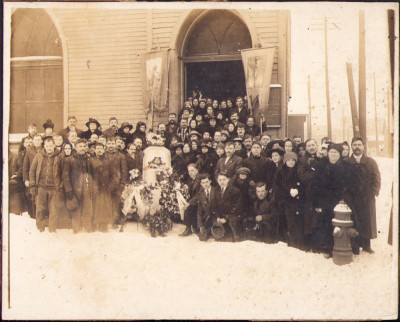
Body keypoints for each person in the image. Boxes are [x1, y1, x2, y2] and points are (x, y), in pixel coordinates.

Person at [344, 137, 381, 254]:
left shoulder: (371, 162)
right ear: (351, 147)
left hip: (367, 197)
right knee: (354, 220)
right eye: (354, 145)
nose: (357, 147)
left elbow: (376, 178)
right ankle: (354, 245)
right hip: (352, 198)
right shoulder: (346, 162)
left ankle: (366, 245)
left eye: (359, 145)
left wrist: (373, 192)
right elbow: (342, 180)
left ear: (363, 147)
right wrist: (346, 195)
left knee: (367, 220)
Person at [313, 143, 346, 256]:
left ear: (339, 154)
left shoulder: (344, 166)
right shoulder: (322, 165)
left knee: (338, 225)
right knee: (325, 224)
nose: (333, 155)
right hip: (324, 200)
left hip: (339, 201)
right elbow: (316, 184)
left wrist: (343, 198)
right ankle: (327, 248)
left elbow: (347, 185)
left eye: (335, 153)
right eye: (331, 152)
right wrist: (317, 202)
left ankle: (339, 247)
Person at [29, 137, 61, 232]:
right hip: (41, 187)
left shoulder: (59, 156)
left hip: (54, 188)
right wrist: (33, 184)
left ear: (54, 145)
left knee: (54, 209)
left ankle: (52, 229)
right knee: (40, 208)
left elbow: (63, 171)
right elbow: (32, 170)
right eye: (47, 146)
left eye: (51, 145)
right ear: (44, 146)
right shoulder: (39, 155)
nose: (49, 148)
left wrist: (60, 186)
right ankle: (40, 228)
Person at [62, 138, 94, 233]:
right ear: (75, 148)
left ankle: (87, 227)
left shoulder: (89, 159)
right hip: (75, 189)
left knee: (87, 207)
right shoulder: (69, 160)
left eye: (84, 146)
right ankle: (76, 228)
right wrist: (69, 190)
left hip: (87, 188)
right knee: (75, 208)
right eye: (80, 146)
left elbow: (93, 174)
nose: (82, 148)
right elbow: (65, 177)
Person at [274, 152, 304, 249]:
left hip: (297, 201)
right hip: (284, 202)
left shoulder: (298, 171)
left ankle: (297, 244)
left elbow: (304, 184)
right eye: (289, 160)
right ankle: (288, 243)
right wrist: (288, 191)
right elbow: (278, 187)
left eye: (293, 160)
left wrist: (298, 191)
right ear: (285, 161)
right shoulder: (280, 172)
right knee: (287, 223)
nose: (291, 162)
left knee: (297, 224)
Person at [297, 139, 321, 251]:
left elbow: (324, 176)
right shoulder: (302, 161)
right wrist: (315, 170)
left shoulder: (321, 159)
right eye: (309, 146)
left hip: (319, 194)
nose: (311, 147)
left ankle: (317, 245)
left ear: (317, 146)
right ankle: (307, 244)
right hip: (307, 194)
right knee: (307, 219)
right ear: (306, 148)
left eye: (313, 145)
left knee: (318, 218)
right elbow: (303, 177)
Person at [105, 136, 128, 227]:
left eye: (112, 143)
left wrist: (122, 183)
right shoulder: (103, 155)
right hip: (106, 184)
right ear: (106, 144)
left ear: (115, 144)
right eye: (109, 143)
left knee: (115, 203)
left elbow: (124, 171)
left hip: (117, 183)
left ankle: (114, 221)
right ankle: (106, 220)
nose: (111, 146)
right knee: (106, 202)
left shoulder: (120, 156)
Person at [90, 142, 113, 232]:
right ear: (95, 150)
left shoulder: (108, 161)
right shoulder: (91, 160)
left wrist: (110, 186)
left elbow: (113, 174)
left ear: (104, 150)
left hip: (105, 187)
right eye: (97, 148)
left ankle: (103, 224)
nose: (99, 150)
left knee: (104, 206)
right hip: (95, 187)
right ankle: (94, 224)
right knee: (94, 205)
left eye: (101, 148)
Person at [214, 172, 243, 242]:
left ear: (228, 180)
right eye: (220, 180)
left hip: (232, 215)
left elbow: (236, 207)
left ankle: (235, 236)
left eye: (224, 179)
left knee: (232, 222)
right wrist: (218, 217)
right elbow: (215, 206)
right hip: (221, 216)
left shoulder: (235, 191)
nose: (222, 182)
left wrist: (226, 218)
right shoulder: (216, 190)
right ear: (217, 181)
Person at [23, 134, 43, 218]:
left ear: (42, 141)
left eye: (39, 140)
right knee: (32, 196)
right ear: (33, 142)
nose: (37, 141)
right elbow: (25, 167)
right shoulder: (29, 152)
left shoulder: (44, 150)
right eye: (36, 140)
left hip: (42, 177)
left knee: (41, 197)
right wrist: (26, 179)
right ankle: (33, 215)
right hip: (32, 178)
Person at [179, 164, 202, 236]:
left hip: (201, 199)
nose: (190, 173)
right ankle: (190, 227)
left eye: (192, 170)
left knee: (188, 206)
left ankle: (188, 229)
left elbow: (199, 194)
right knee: (185, 204)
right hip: (195, 199)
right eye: (189, 171)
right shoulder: (191, 179)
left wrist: (189, 203)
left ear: (197, 170)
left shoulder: (200, 179)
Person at [197, 174, 219, 241]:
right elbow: (199, 212)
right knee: (202, 238)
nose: (205, 184)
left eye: (206, 182)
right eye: (203, 183)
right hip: (207, 219)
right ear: (201, 184)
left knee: (218, 236)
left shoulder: (216, 191)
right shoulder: (201, 195)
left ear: (210, 181)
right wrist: (200, 225)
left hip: (216, 217)